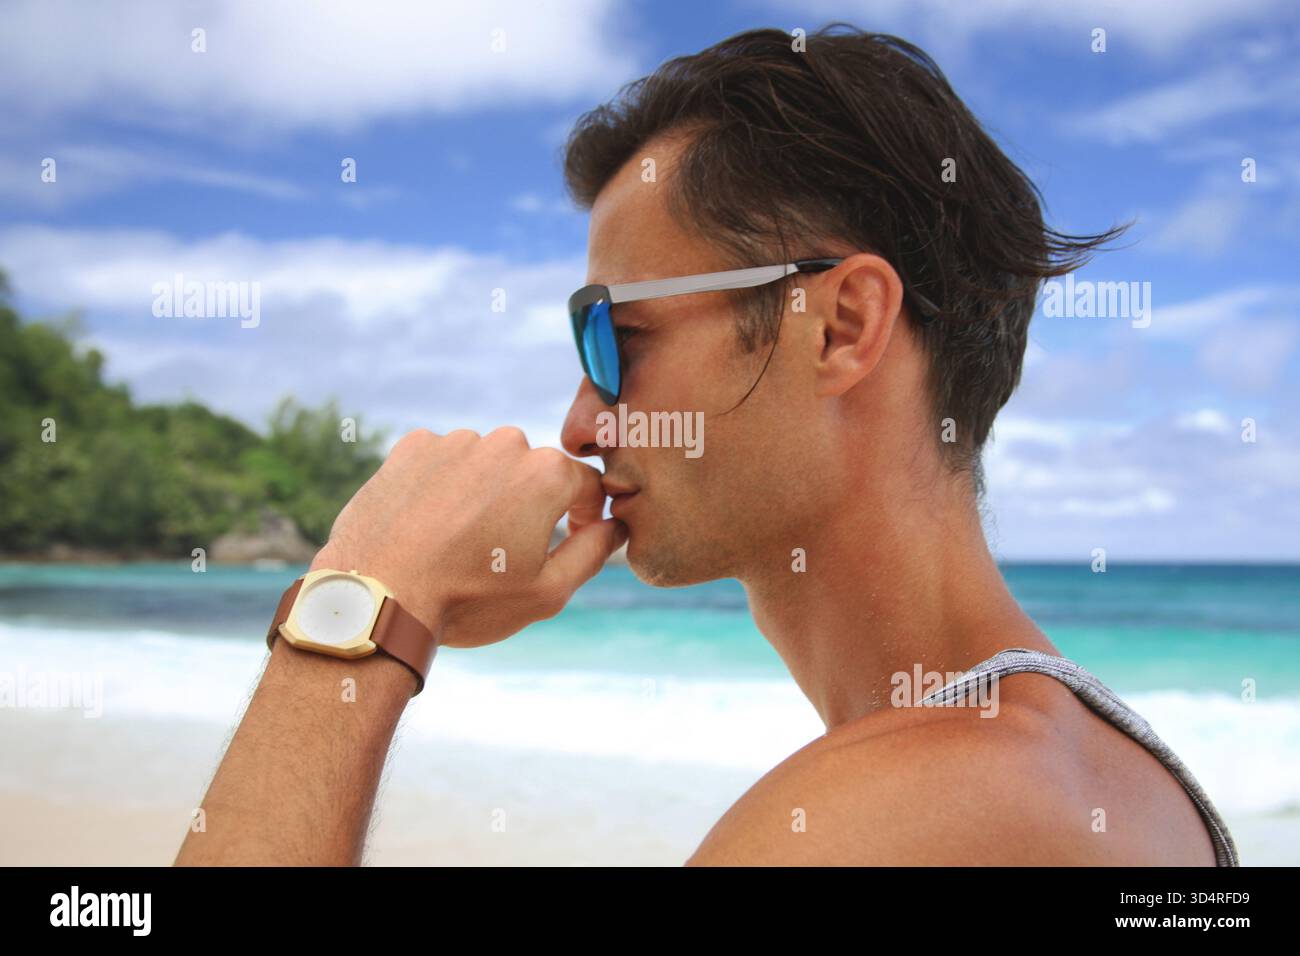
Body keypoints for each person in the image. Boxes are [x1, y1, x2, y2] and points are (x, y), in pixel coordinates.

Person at [175, 25, 1237, 867]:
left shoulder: (917, 805)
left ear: (841, 325)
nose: (580, 424)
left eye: (618, 334)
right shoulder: (1105, 776)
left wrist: (362, 608)